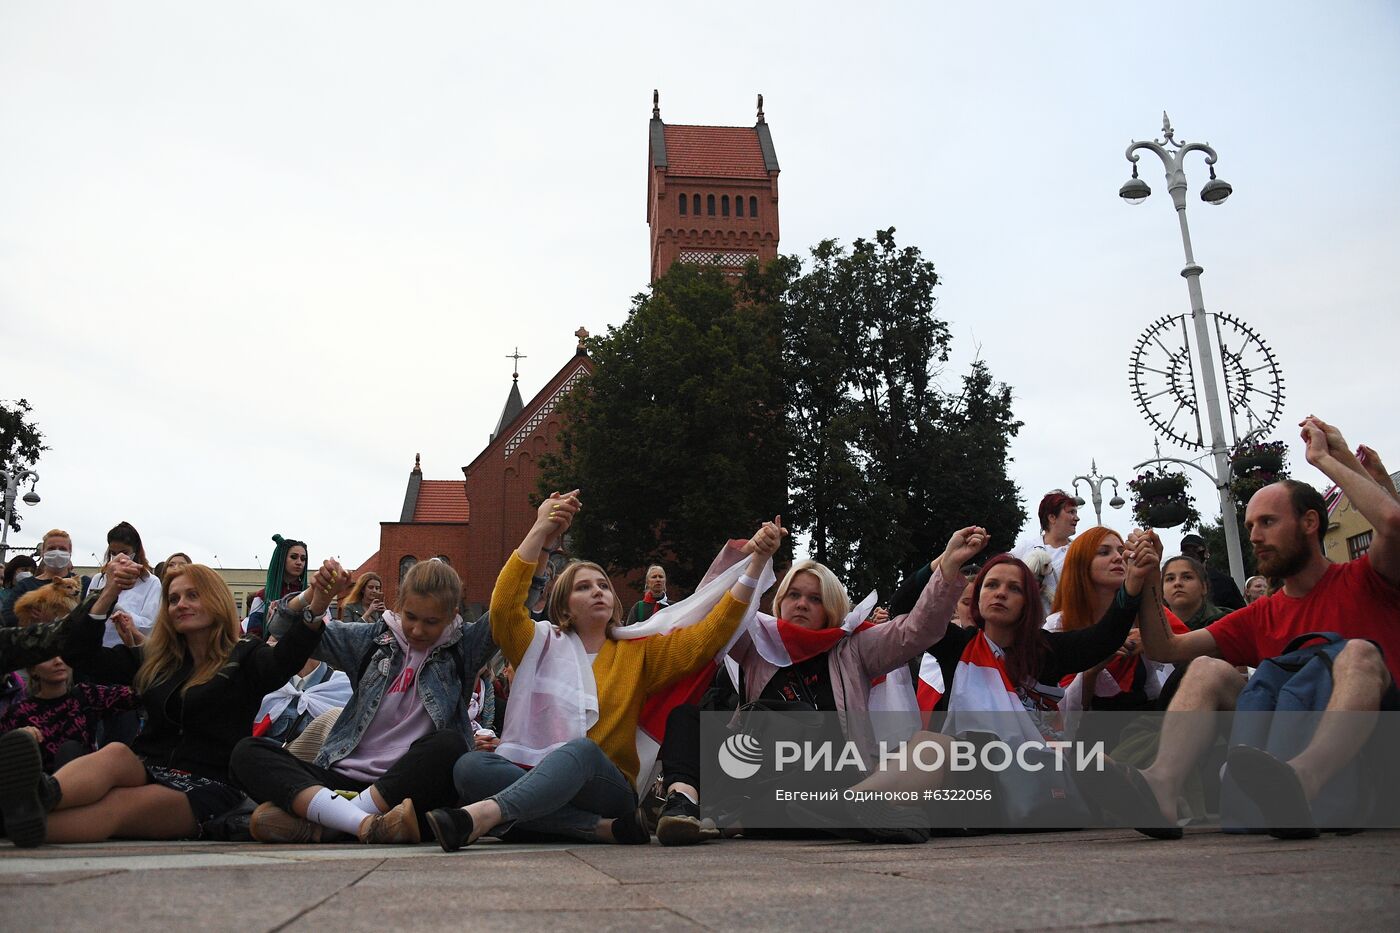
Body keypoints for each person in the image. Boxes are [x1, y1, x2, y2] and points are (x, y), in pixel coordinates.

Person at [1089, 417, 1400, 839]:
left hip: (1382, 749)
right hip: (1295, 742)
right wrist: (1145, 577)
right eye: (1250, 525)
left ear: (1311, 522)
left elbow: (1393, 524)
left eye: (1268, 522)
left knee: (1358, 652)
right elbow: (1163, 648)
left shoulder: (1369, 577)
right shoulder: (1263, 614)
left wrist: (1327, 459)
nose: (1254, 536)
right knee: (1204, 669)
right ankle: (1159, 787)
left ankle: (1303, 783)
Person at [424, 491, 784, 851]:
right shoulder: (537, 641)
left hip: (607, 785)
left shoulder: (637, 651)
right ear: (563, 604)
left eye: (603, 586)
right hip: (534, 776)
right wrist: (539, 530)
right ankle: (595, 829)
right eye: (583, 587)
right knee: (469, 767)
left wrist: (755, 566)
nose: (598, 591)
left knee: (579, 751)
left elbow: (710, 634)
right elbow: (503, 610)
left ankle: (484, 816)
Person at [653, 527, 980, 846]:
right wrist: (751, 555)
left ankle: (797, 814)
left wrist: (948, 567)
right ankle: (683, 804)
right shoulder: (756, 641)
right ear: (780, 601)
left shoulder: (854, 647)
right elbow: (709, 611)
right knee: (686, 717)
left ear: (832, 607)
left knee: (932, 746)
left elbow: (916, 631)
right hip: (758, 773)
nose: (801, 604)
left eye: (815, 598)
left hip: (829, 773)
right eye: (793, 595)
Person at [0, 557, 327, 848]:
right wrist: (110, 592)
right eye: (173, 599)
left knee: (120, 804)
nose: (180, 604)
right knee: (115, 752)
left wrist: (318, 605)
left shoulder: (246, 655)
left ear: (215, 600)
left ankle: (20, 819)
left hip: (208, 786)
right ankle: (38, 796)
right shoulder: (157, 660)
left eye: (192, 595)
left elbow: (285, 660)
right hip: (148, 766)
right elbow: (79, 655)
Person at [232, 557, 533, 845]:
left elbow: (509, 607)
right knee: (246, 752)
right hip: (340, 779)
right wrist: (317, 596)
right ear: (400, 604)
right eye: (411, 617)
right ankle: (365, 823)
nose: (417, 630)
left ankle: (332, 821)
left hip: (407, 786)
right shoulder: (371, 639)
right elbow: (281, 628)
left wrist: (541, 533)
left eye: (431, 622)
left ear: (453, 613)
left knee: (450, 745)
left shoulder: (465, 645)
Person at [0, 652, 140, 770]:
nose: (58, 662)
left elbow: (137, 696)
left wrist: (137, 646)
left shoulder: (86, 695)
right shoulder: (19, 712)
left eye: (64, 656)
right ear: (33, 670)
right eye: (48, 657)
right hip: (43, 791)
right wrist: (17, 739)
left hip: (85, 781)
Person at [87, 522, 164, 646]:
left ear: (136, 551)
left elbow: (149, 625)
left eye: (125, 552)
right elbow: (87, 616)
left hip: (129, 651)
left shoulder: (151, 582)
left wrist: (120, 611)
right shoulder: (98, 579)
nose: (119, 557)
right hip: (99, 647)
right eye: (113, 553)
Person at [1, 530, 90, 627]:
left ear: (70, 552)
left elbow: (90, 618)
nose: (57, 552)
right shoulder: (25, 585)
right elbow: (7, 616)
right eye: (51, 548)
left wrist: (54, 620)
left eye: (62, 549)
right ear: (43, 552)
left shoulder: (84, 583)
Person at [1009, 491, 1079, 612]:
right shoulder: (1026, 547)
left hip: (1069, 626)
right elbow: (1001, 574)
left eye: (1076, 512)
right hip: (1031, 627)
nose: (1077, 518)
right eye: (1071, 512)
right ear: (1052, 517)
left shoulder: (1080, 550)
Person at [246, 536, 308, 638]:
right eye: (293, 557)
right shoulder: (262, 596)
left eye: (303, 559)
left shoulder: (312, 593)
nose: (299, 562)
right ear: (281, 558)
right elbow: (253, 635)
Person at [1178, 534, 1245, 611]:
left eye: (1195, 550)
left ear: (1206, 553)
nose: (1191, 554)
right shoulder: (1177, 583)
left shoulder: (1224, 582)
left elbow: (1242, 612)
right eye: (1186, 551)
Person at [1161, 555, 1227, 631]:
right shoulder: (1153, 629)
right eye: (1170, 579)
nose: (1177, 583)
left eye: (1187, 577)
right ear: (1162, 592)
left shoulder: (1227, 623)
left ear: (1204, 587)